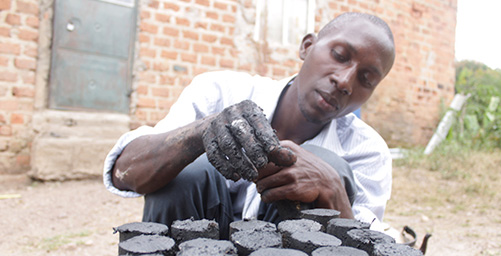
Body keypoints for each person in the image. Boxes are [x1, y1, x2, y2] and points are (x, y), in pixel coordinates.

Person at [103, 12, 396, 239]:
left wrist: (333, 190)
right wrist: (203, 132)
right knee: (189, 168)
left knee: (331, 169)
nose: (344, 81)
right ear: (307, 47)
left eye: (366, 79)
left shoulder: (368, 152)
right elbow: (124, 174)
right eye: (339, 56)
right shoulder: (219, 92)